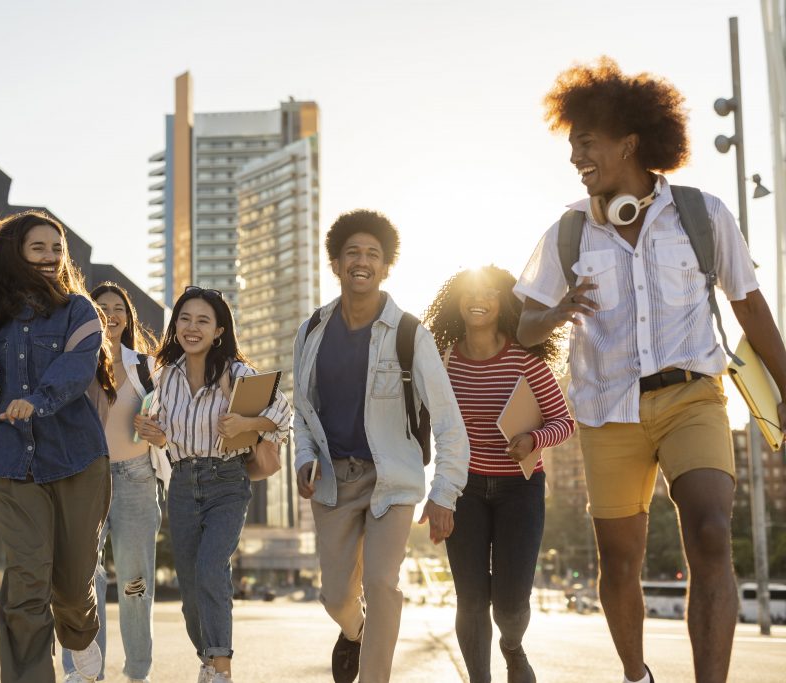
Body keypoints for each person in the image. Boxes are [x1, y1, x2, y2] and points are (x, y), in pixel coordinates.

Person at [515, 58, 786, 683]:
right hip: (608, 411)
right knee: (618, 558)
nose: (576, 156)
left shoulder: (702, 213)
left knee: (712, 531)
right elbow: (524, 328)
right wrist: (557, 311)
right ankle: (637, 675)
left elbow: (750, 304)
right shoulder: (569, 232)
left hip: (693, 397)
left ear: (629, 141)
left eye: (586, 142)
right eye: (572, 144)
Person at [293, 209, 470, 683]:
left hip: (393, 479)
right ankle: (354, 632)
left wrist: (444, 492)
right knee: (335, 597)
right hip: (334, 479)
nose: (362, 261)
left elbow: (450, 423)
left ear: (386, 266)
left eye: (373, 253)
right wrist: (305, 458)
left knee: (381, 583)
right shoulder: (312, 331)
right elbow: (303, 411)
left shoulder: (411, 333)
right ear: (336, 262)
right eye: (352, 252)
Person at [0, 210, 113, 682]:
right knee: (28, 586)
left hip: (78, 461)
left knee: (73, 590)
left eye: (57, 250)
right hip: (16, 467)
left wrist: (36, 401)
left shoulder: (79, 310)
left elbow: (76, 371)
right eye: (39, 249)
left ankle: (80, 635)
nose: (52, 258)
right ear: (15, 252)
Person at [134, 286, 292, 683]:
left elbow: (284, 414)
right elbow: (166, 434)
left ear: (219, 330)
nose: (192, 327)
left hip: (227, 481)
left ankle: (221, 670)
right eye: (185, 319)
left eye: (203, 320)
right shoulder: (164, 375)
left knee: (210, 569)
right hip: (183, 483)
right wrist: (153, 432)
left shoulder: (237, 373)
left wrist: (247, 424)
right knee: (189, 590)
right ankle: (207, 658)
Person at [424, 265, 573, 683]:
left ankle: (512, 646)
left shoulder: (526, 361)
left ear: (503, 302)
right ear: (457, 301)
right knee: (471, 600)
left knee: (509, 605)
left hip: (519, 490)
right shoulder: (445, 362)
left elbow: (564, 421)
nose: (480, 297)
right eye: (473, 290)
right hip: (464, 488)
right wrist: (436, 492)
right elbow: (426, 422)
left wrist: (533, 438)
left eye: (491, 291)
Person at [60, 282, 161, 683]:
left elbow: (166, 421)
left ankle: (138, 672)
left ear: (128, 316)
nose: (110, 313)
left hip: (136, 479)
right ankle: (83, 673)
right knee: (85, 580)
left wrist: (154, 426)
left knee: (136, 583)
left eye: (118, 307)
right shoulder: (76, 363)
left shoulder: (146, 366)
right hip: (88, 479)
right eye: (100, 307)